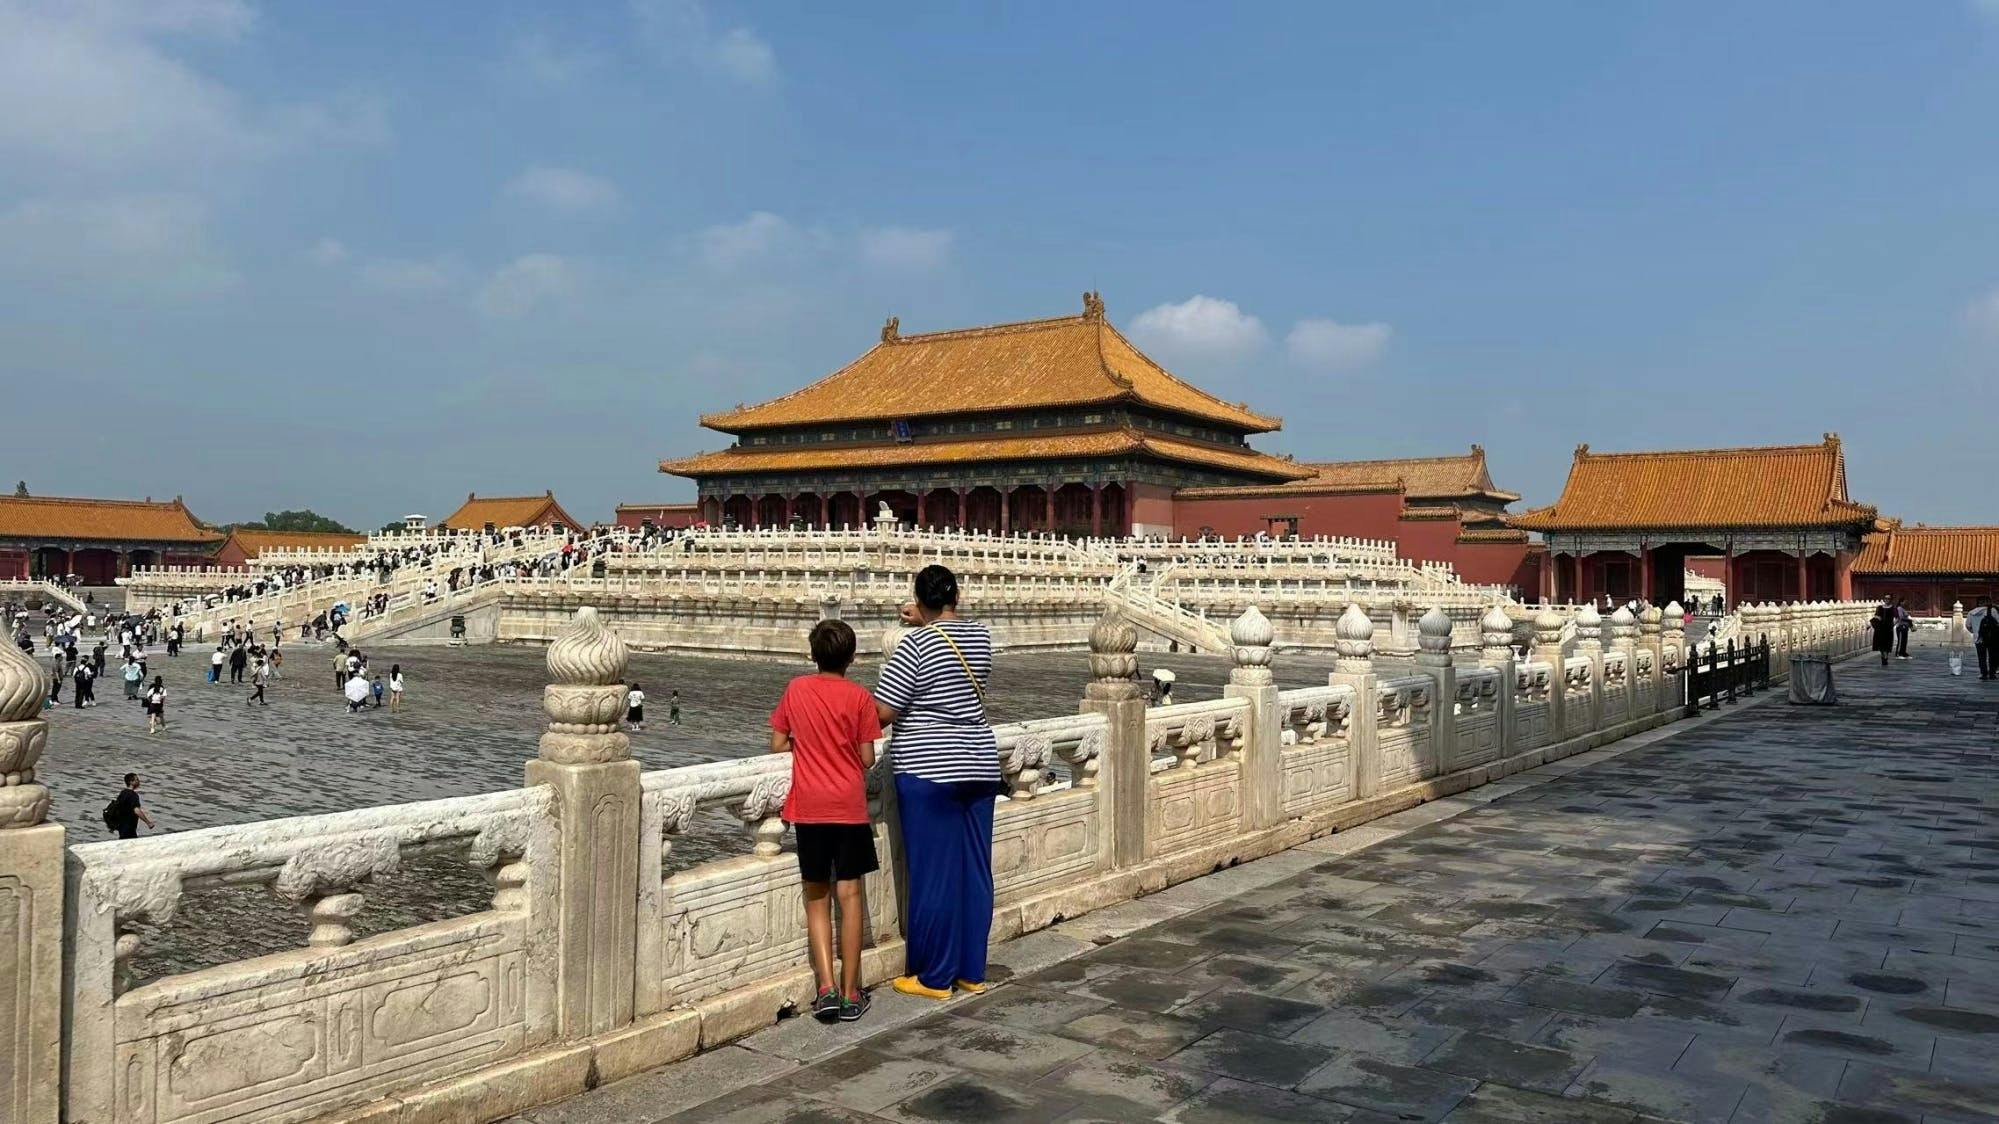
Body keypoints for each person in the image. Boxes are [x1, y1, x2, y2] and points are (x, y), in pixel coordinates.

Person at [874, 564, 998, 1000]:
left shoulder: (915, 646)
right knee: (975, 871)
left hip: (930, 769)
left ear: (918, 600)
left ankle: (934, 975)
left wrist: (918, 626)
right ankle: (971, 970)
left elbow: (885, 711)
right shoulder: (980, 637)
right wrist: (924, 615)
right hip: (980, 765)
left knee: (934, 875)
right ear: (956, 598)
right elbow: (951, 635)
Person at [770, 620, 882, 1022]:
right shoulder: (859, 697)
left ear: (813, 654)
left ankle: (826, 989)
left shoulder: (797, 689)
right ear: (852, 658)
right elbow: (868, 758)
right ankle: (853, 992)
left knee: (816, 897)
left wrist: (807, 743)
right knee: (849, 897)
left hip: (810, 807)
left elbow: (778, 742)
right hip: (849, 807)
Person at [109, 773, 154, 839]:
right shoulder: (133, 795)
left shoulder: (123, 793)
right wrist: (148, 823)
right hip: (129, 828)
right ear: (131, 782)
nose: (139, 781)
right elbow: (136, 810)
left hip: (121, 827)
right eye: (137, 780)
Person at [1973, 597, 1999, 681]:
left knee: (1981, 657)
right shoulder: (1992, 611)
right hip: (1992, 637)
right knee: (1993, 656)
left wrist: (1975, 632)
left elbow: (1968, 625)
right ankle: (1992, 673)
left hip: (1978, 638)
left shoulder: (1971, 613)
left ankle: (1983, 673)